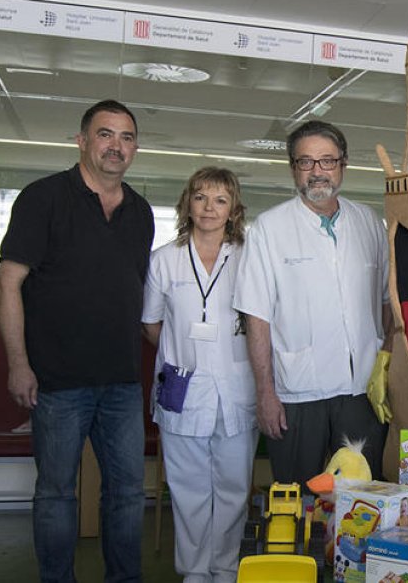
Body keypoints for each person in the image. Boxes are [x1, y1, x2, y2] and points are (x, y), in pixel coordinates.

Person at [0, 99, 154, 582]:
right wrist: (18, 364)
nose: (116, 146)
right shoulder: (43, 198)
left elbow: (139, 295)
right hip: (57, 382)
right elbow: (8, 284)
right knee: (56, 494)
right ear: (82, 141)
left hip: (122, 381)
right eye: (105, 134)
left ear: (135, 148)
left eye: (126, 137)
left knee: (127, 493)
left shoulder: (141, 211)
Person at [234, 120, 391, 482]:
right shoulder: (269, 229)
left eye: (327, 161)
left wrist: (386, 365)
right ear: (293, 168)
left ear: (343, 165)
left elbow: (386, 303)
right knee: (296, 498)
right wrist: (265, 394)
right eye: (306, 162)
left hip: (362, 392)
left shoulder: (369, 222)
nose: (317, 172)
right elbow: (256, 317)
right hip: (297, 391)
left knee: (362, 498)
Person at [142, 167, 255, 583]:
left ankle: (224, 568)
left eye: (220, 199)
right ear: (187, 202)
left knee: (233, 488)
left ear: (234, 209)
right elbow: (152, 324)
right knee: (188, 490)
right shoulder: (164, 259)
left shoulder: (248, 257)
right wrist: (184, 354)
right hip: (182, 389)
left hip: (236, 389)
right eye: (201, 197)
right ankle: (193, 570)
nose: (209, 207)